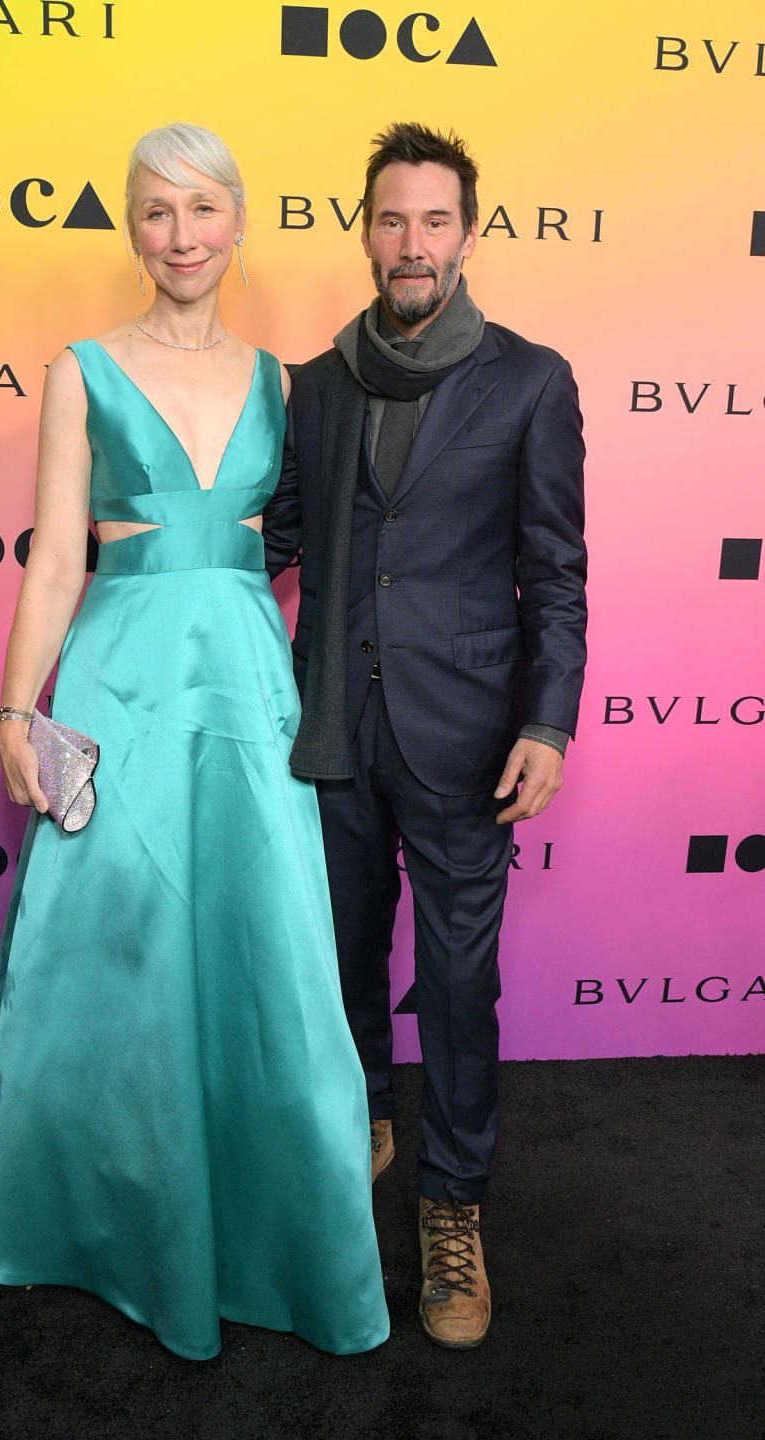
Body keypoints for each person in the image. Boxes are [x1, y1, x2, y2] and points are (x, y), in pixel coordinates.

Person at [0, 122, 389, 1362]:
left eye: (201, 209)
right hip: (122, 674)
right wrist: (14, 705)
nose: (180, 235)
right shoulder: (77, 372)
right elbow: (51, 564)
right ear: (130, 228)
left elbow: (322, 550)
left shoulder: (286, 384)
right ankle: (96, 1217)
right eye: (155, 211)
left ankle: (272, 1214)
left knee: (268, 955)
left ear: (239, 221)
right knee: (110, 958)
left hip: (246, 680)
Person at [264, 122, 587, 1350]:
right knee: (344, 962)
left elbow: (556, 569)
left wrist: (548, 722)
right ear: (365, 231)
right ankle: (365, 1120)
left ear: (468, 231)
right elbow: (278, 540)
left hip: (465, 739)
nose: (413, 243)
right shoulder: (319, 381)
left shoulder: (530, 379)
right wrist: (159, 583)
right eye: (392, 220)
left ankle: (454, 1203)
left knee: (457, 983)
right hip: (334, 727)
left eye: (435, 221)